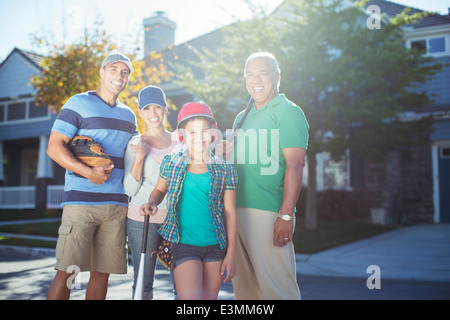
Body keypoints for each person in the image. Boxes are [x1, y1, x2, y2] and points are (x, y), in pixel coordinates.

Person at [46, 52, 138, 300]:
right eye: (113, 69)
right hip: (81, 203)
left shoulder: (129, 116)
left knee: (101, 273)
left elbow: (135, 155)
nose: (119, 75)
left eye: (124, 72)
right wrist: (88, 172)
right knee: (69, 272)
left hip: (117, 206)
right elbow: (54, 147)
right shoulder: (78, 103)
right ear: (102, 71)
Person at [227, 52, 309, 300]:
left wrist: (286, 214)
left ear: (276, 76)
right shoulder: (241, 117)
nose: (256, 79)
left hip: (268, 213)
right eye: (250, 74)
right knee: (246, 293)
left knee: (277, 290)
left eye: (263, 72)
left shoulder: (289, 112)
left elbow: (295, 165)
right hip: (234, 213)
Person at [139, 102, 238, 300]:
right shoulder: (172, 162)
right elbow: (159, 190)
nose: (199, 137)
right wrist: (152, 202)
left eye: (204, 131)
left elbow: (230, 212)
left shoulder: (225, 169)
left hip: (216, 245)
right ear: (183, 134)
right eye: (192, 132)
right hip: (184, 243)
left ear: (212, 132)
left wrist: (231, 254)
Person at [124, 85, 179, 299]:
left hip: (177, 218)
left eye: (158, 107)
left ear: (165, 109)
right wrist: (139, 156)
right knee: (144, 281)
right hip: (142, 219)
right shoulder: (134, 143)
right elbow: (129, 189)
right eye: (147, 108)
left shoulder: (180, 141)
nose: (153, 113)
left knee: (182, 277)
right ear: (140, 112)